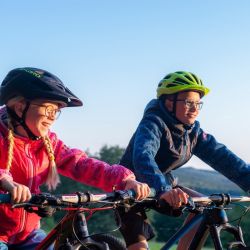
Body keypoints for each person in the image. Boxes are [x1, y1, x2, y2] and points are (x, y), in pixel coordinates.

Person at [0, 67, 150, 250]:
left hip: (27, 234)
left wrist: (125, 179)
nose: (52, 117)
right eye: (49, 108)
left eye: (56, 111)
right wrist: (7, 183)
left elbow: (81, 164)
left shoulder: (49, 143)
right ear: (20, 106)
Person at [118, 71, 250, 250]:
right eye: (189, 102)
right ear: (169, 102)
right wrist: (163, 189)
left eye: (198, 103)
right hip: (129, 189)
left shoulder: (193, 132)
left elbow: (225, 159)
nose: (195, 109)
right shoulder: (153, 123)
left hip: (162, 185)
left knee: (204, 207)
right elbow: (143, 157)